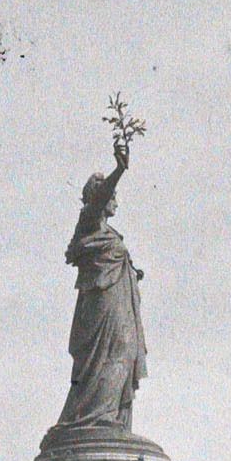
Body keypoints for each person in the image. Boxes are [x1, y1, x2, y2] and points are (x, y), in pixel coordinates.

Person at [56, 138, 147, 431]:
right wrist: (119, 170)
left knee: (125, 351)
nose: (116, 200)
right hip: (102, 307)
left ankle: (111, 417)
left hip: (118, 303)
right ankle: (97, 417)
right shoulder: (89, 221)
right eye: (112, 195)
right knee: (110, 354)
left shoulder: (108, 232)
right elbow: (97, 200)